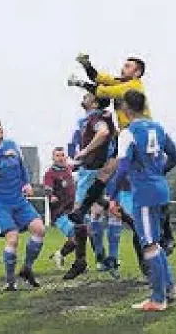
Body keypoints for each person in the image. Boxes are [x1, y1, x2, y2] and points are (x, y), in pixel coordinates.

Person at [68, 54, 176, 256]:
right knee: (107, 171)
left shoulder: (130, 88)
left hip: (141, 135)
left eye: (128, 66)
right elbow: (100, 78)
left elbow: (102, 91)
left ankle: (167, 235)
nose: (123, 68)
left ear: (137, 72)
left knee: (149, 181)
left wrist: (80, 83)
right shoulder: (122, 83)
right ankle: (82, 210)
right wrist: (87, 65)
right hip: (126, 135)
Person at [108, 90, 176, 311]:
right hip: (161, 190)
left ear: (126, 109)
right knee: (155, 243)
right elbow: (175, 156)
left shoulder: (127, 133)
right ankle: (171, 288)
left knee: (148, 246)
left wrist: (111, 196)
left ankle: (158, 299)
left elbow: (122, 169)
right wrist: (159, 173)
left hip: (144, 194)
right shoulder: (158, 128)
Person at [0, 117, 45, 291]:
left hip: (19, 200)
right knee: (12, 239)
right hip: (0, 203)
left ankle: (27, 268)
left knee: (39, 229)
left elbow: (22, 166)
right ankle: (10, 282)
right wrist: (0, 155)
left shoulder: (12, 144)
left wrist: (26, 183)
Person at [63, 93, 115, 280]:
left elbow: (103, 133)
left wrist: (84, 152)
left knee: (79, 213)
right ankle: (100, 257)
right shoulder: (88, 120)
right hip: (90, 170)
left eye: (87, 96)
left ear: (93, 102)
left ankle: (81, 261)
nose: (82, 98)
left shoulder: (97, 117)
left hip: (94, 171)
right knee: (99, 209)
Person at [44, 147, 77, 268]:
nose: (60, 158)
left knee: (82, 235)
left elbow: (81, 165)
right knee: (76, 235)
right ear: (53, 158)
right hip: (59, 213)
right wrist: (51, 196)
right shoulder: (50, 173)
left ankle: (63, 256)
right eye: (57, 155)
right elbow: (47, 188)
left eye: (62, 155)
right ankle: (61, 254)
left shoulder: (68, 168)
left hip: (72, 211)